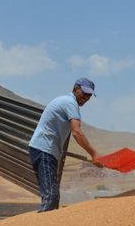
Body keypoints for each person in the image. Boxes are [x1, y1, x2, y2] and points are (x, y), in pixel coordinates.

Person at [28, 77, 103, 212]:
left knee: (51, 194)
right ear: (75, 89)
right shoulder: (70, 103)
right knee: (51, 195)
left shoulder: (65, 101)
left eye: (89, 95)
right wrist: (94, 154)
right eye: (84, 93)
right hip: (45, 149)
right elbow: (76, 132)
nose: (86, 97)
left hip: (44, 149)